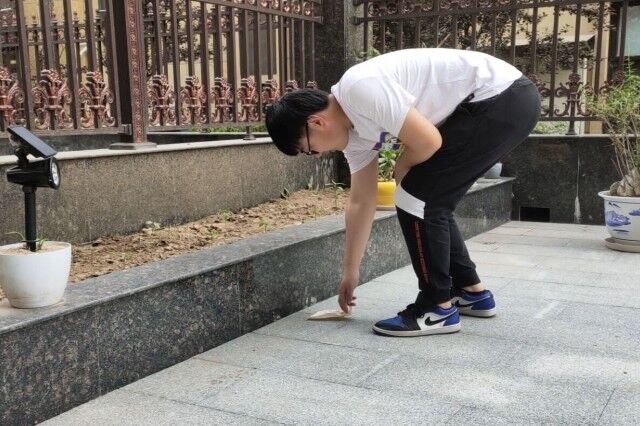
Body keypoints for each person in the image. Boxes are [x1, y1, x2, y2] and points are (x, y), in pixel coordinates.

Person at [265, 48, 540, 337]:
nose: (319, 154)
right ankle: (471, 292)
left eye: (309, 150)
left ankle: (436, 308)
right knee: (428, 198)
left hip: (501, 98)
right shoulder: (355, 135)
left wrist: (402, 166)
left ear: (316, 122)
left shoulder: (358, 88)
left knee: (417, 197)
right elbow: (361, 202)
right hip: (498, 102)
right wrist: (350, 272)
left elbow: (428, 141)